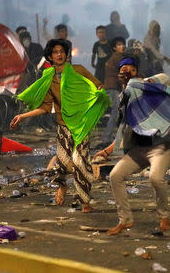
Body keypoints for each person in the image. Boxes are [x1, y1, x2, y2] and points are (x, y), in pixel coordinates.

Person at [95, 55, 170, 235]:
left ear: (136, 72)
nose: (127, 72)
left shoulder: (143, 87)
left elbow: (164, 77)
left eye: (131, 69)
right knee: (115, 176)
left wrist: (141, 82)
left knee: (155, 178)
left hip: (160, 147)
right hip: (138, 149)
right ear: (119, 75)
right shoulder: (124, 98)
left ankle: (164, 216)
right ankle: (125, 220)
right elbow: (124, 129)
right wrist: (108, 150)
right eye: (124, 70)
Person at [10, 39, 109, 212]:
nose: (59, 54)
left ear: (66, 54)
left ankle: (85, 202)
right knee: (63, 164)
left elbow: (97, 85)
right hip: (62, 126)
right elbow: (46, 107)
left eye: (62, 51)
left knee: (79, 162)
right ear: (50, 56)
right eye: (55, 52)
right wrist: (22, 116)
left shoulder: (79, 71)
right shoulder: (48, 79)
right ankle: (62, 185)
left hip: (80, 126)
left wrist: (97, 94)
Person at [100, 37, 126, 145]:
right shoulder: (118, 57)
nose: (122, 46)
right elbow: (121, 74)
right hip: (113, 87)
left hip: (110, 87)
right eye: (119, 45)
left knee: (117, 112)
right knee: (116, 112)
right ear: (115, 48)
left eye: (123, 44)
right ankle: (107, 138)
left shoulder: (116, 57)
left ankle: (114, 137)